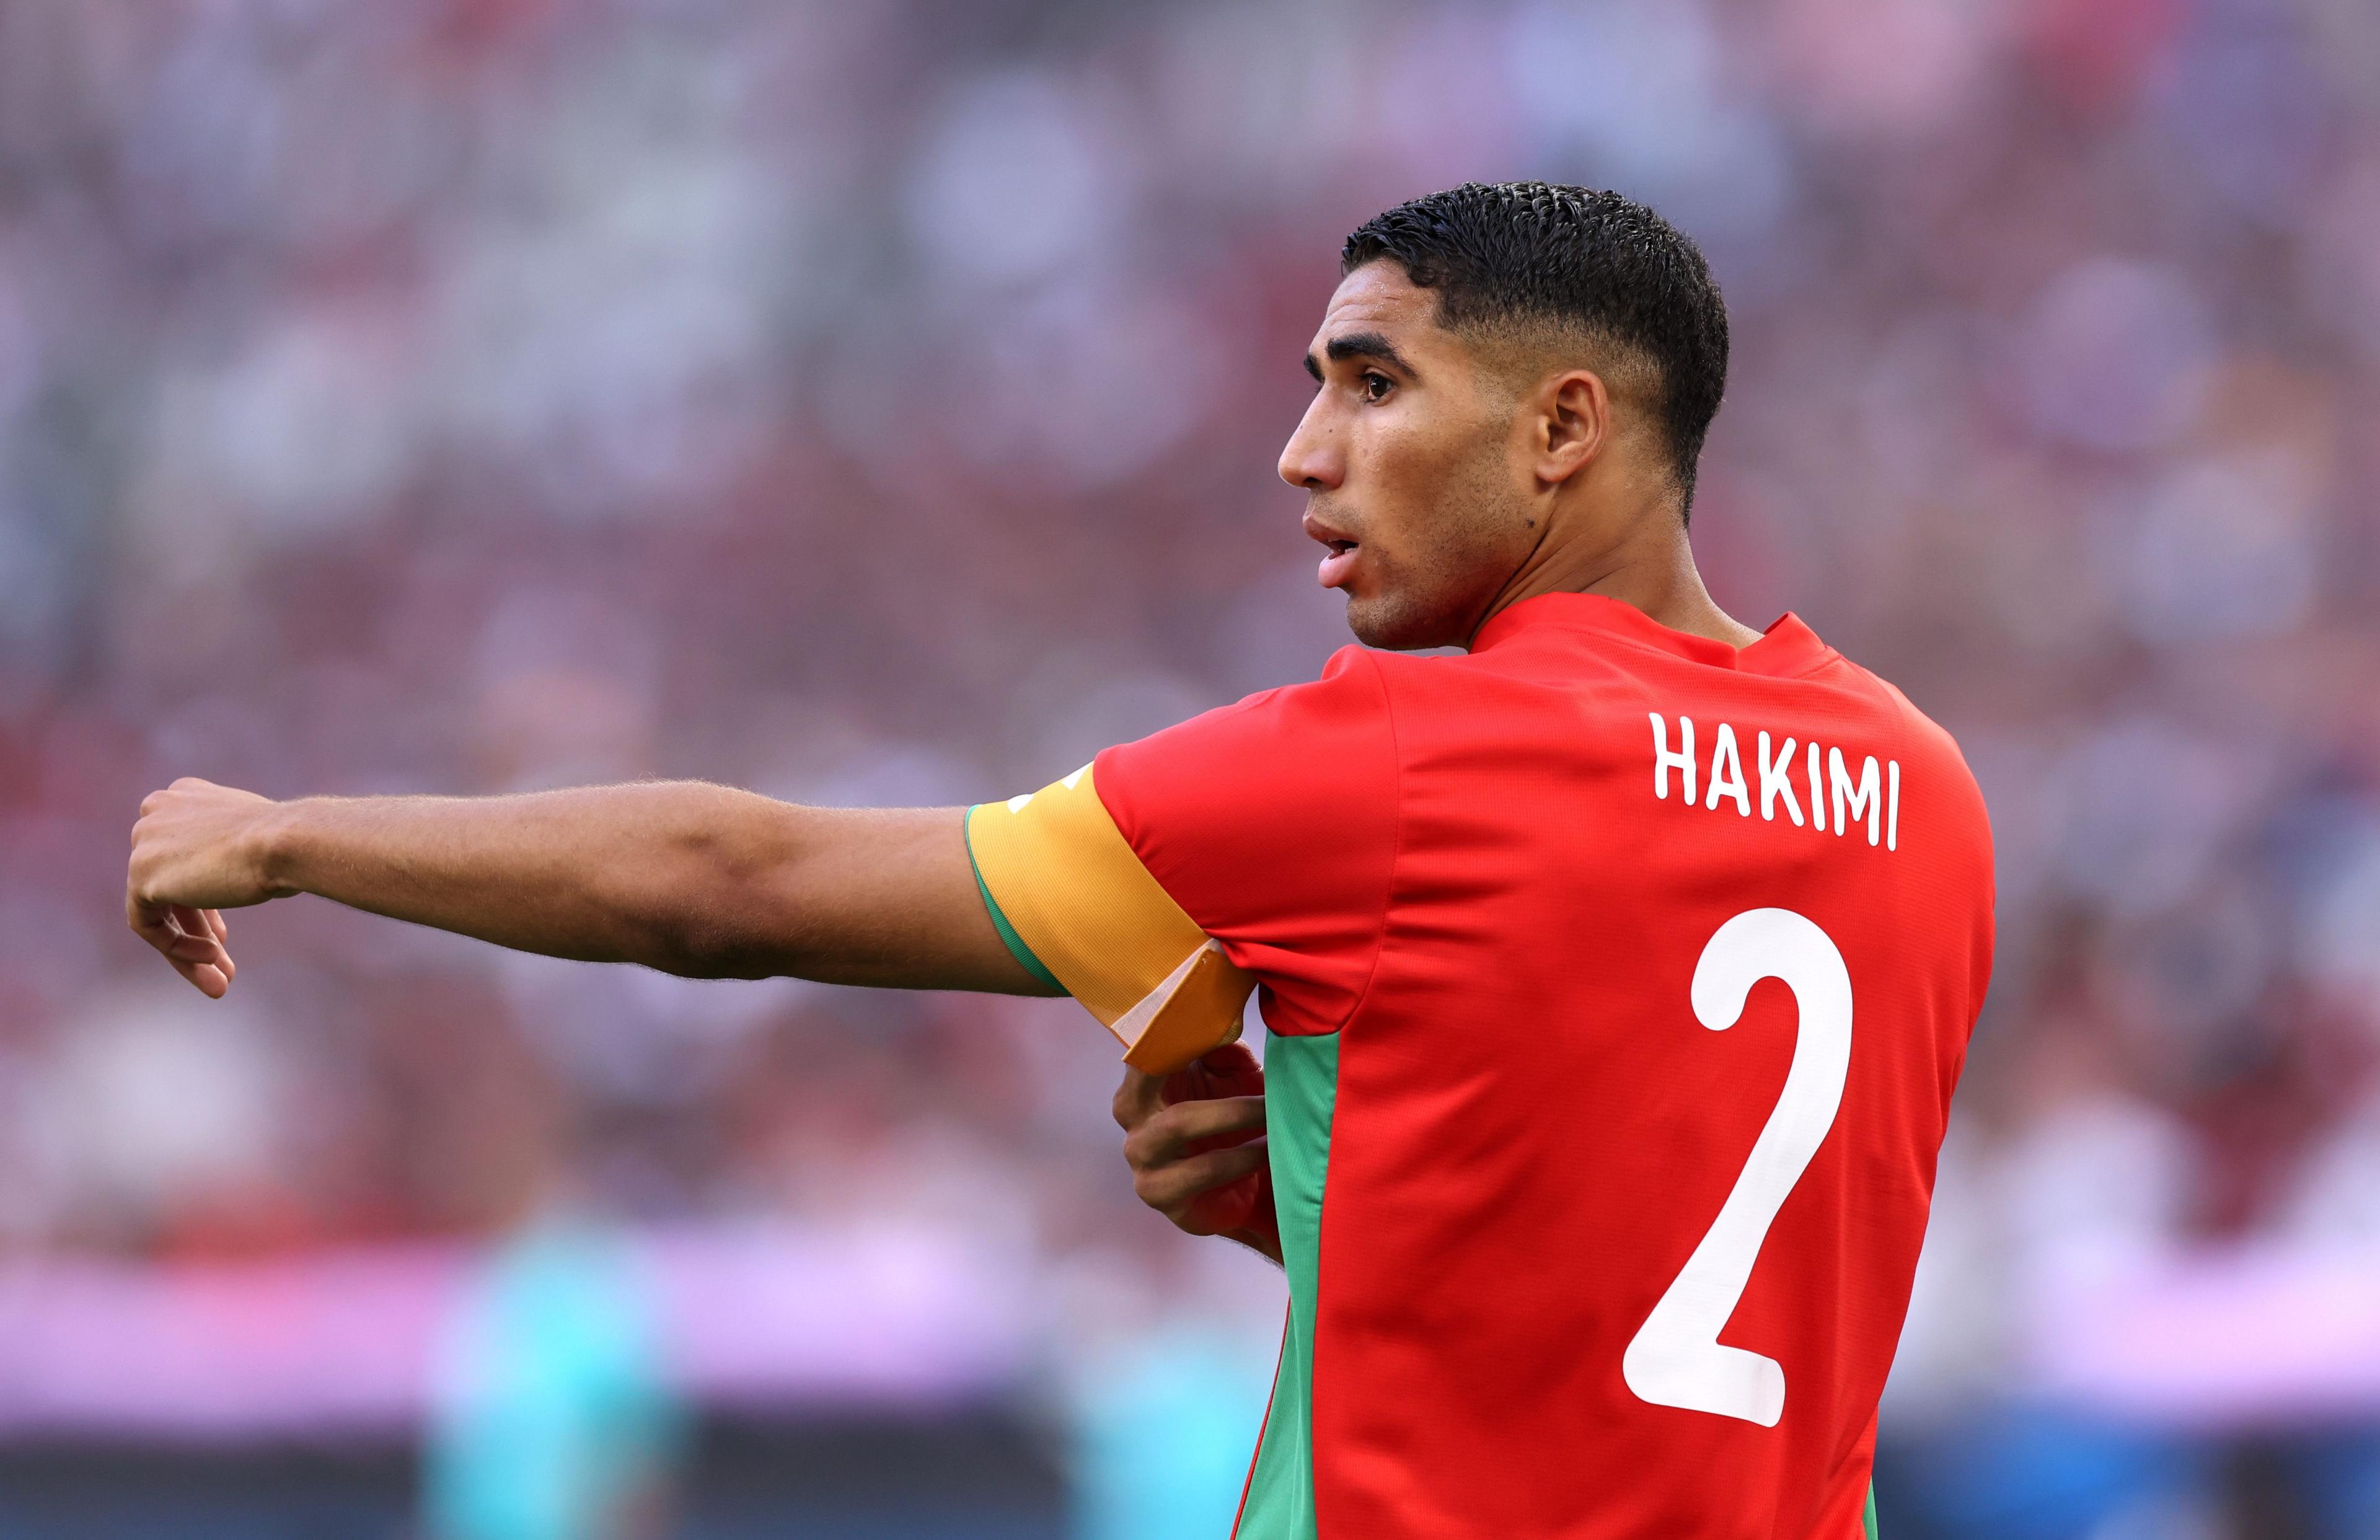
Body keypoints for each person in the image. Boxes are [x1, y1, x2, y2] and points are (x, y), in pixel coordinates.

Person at [126, 183, 1993, 1539]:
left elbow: (730, 890)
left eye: (1370, 386)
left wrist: (288, 836)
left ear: (1566, 426)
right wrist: (1314, 1199)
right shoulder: (1924, 795)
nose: (1300, 453)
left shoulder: (1398, 759)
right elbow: (1699, 1283)